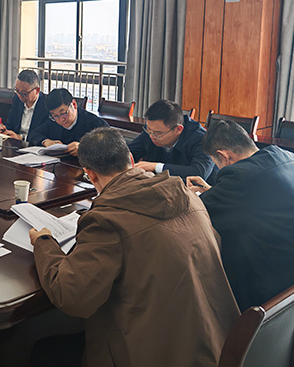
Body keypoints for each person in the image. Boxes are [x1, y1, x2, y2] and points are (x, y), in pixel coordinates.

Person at [29, 127, 238, 367]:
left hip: (156, 353)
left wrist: (44, 243)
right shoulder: (188, 196)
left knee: (44, 351)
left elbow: (71, 296)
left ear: (90, 174)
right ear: (130, 158)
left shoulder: (106, 220)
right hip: (218, 343)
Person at [187, 120, 294, 311]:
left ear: (224, 156)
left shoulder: (239, 175)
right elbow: (260, 195)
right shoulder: (288, 156)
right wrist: (214, 191)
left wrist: (197, 195)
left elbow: (199, 212)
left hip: (284, 279)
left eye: (217, 164)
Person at [128, 99, 217, 181]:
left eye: (158, 133)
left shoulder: (202, 139)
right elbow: (129, 153)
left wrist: (156, 167)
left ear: (178, 129)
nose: (152, 136)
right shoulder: (152, 130)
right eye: (148, 130)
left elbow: (199, 173)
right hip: (162, 185)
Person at [27, 88, 107, 155]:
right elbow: (33, 134)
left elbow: (109, 147)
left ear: (74, 104)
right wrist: (46, 141)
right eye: (55, 115)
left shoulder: (95, 123)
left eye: (63, 113)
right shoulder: (53, 121)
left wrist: (84, 148)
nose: (61, 119)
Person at [0, 70, 49, 144]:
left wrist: (22, 138)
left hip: (33, 146)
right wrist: (2, 128)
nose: (19, 96)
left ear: (37, 90)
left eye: (24, 93)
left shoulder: (46, 105)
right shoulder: (17, 100)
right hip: (15, 144)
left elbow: (45, 135)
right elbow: (10, 125)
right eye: (17, 91)